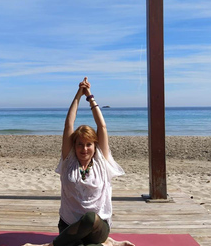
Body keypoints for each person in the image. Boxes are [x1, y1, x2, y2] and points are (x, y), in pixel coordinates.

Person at [23, 77, 134, 246]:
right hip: (69, 226)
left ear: (94, 145)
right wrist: (78, 95)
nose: (84, 149)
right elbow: (69, 124)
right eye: (80, 144)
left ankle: (52, 245)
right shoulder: (69, 162)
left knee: (90, 218)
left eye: (89, 144)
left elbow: (102, 127)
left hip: (97, 226)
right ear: (74, 146)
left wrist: (89, 96)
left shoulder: (101, 161)